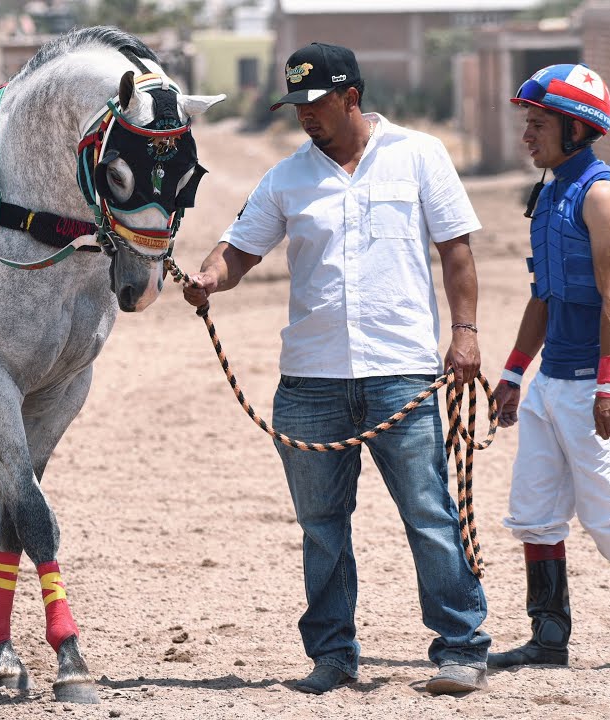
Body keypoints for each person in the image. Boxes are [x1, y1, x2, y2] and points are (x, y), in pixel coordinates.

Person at [183, 42, 490, 695]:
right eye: (296, 105)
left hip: (402, 372)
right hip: (310, 380)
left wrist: (465, 333)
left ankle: (461, 648)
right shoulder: (285, 177)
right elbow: (239, 250)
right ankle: (332, 656)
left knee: (430, 514)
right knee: (321, 528)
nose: (305, 116)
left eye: (316, 103)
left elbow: (456, 251)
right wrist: (210, 277)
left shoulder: (420, 154)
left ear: (351, 97)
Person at [488, 63, 610, 669]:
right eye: (526, 123)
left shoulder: (601, 194)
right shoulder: (550, 193)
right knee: (535, 514)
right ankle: (548, 639)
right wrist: (514, 373)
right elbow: (544, 296)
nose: (526, 135)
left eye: (538, 124)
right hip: (551, 384)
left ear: (576, 128)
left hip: (597, 385)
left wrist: (606, 386)